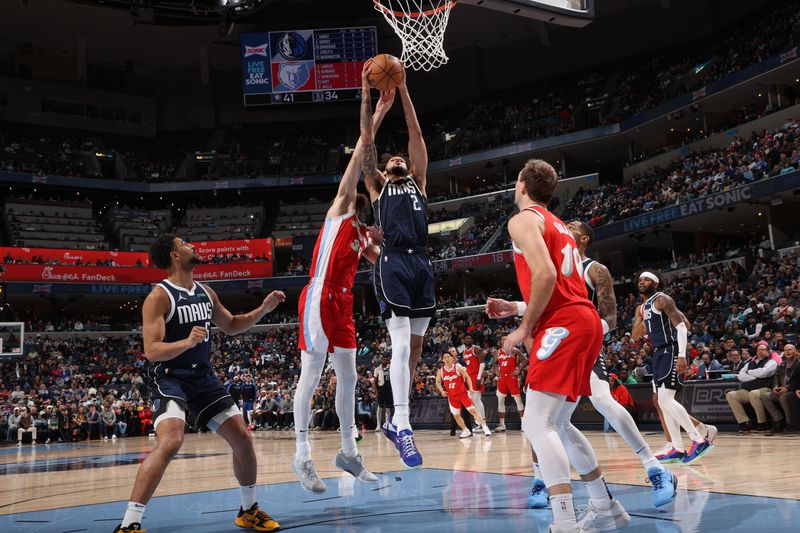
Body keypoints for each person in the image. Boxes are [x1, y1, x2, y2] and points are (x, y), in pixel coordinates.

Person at [487, 159, 629, 532]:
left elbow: (547, 275)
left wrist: (524, 326)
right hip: (584, 321)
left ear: (521, 185)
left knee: (537, 423)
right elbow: (564, 287)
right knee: (560, 424)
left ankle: (564, 522)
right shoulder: (560, 226)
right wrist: (516, 306)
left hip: (563, 325)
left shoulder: (521, 220)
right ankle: (604, 506)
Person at [113, 234, 285, 533]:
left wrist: (263, 311)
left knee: (242, 437)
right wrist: (186, 341)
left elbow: (231, 325)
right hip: (170, 378)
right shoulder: (159, 296)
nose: (192, 246)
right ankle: (129, 524)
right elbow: (152, 351)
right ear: (174, 256)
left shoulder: (206, 292)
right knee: (172, 440)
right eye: (185, 244)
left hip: (202, 378)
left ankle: (248, 510)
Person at [291, 75, 391, 492]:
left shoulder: (359, 235)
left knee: (349, 376)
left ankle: (348, 451)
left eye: (360, 208)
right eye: (354, 202)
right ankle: (301, 456)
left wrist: (380, 245)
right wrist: (379, 111)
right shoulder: (338, 212)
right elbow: (359, 154)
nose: (354, 203)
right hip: (318, 296)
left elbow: (382, 260)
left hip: (344, 304)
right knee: (311, 375)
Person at [361, 59, 433, 469]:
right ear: (384, 170)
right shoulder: (377, 187)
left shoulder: (419, 182)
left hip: (422, 265)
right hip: (392, 265)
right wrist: (371, 97)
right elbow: (367, 142)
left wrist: (403, 87)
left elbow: (416, 133)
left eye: (401, 160)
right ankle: (402, 425)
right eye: (391, 162)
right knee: (402, 342)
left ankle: (395, 417)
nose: (398, 162)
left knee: (416, 346)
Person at [632, 271, 714, 465]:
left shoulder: (663, 299)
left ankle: (699, 439)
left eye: (647, 279)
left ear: (655, 283)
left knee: (666, 399)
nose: (642, 282)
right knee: (661, 401)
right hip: (658, 352)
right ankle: (677, 447)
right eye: (640, 280)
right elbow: (636, 335)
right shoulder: (643, 308)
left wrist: (682, 355)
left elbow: (683, 327)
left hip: (671, 350)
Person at [725, 341, 779, 434]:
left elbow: (764, 373)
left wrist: (749, 373)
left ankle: (762, 423)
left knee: (753, 394)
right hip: (749, 389)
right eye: (759, 350)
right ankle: (744, 422)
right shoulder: (750, 363)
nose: (761, 351)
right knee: (731, 395)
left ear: (768, 351)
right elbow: (741, 375)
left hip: (766, 389)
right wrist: (756, 376)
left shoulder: (772, 362)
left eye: (763, 350)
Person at [435, 349, 491, 438]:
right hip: (452, 397)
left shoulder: (458, 367)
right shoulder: (441, 371)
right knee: (456, 416)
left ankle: (485, 428)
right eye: (444, 358)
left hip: (462, 394)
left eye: (448, 357)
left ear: (452, 358)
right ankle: (465, 431)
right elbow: (437, 381)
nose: (447, 359)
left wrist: (471, 388)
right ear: (442, 360)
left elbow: (468, 377)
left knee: (473, 411)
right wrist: (442, 391)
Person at [761, 344, 798, 434]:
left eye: (790, 349)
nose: (787, 352)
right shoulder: (782, 364)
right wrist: (775, 387)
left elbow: (798, 380)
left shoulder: (798, 363)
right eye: (785, 350)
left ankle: (791, 424)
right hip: (781, 389)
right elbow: (776, 378)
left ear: (795, 351)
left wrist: (788, 388)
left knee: (784, 397)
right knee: (765, 396)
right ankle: (779, 421)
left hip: (794, 391)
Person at [492, 337, 526, 432]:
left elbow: (525, 360)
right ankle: (502, 425)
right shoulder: (498, 352)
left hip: (512, 378)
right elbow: (494, 363)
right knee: (500, 401)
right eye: (502, 339)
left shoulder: (514, 350)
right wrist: (496, 370)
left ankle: (524, 424)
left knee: (518, 400)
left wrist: (518, 370)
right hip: (502, 378)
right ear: (500, 341)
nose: (504, 341)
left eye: (506, 339)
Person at [460, 334, 487, 429]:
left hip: (476, 376)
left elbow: (482, 363)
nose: (467, 340)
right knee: (472, 401)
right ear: (463, 340)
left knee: (477, 400)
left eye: (469, 338)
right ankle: (478, 423)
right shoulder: (463, 351)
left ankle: (483, 422)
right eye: (466, 338)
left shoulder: (476, 349)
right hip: (468, 377)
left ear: (472, 339)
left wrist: (479, 378)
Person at [373, 355, 394, 432]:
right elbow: (375, 381)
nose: (385, 360)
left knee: (388, 408)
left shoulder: (391, 368)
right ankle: (378, 425)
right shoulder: (377, 369)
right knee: (380, 407)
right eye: (383, 359)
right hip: (380, 388)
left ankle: (387, 424)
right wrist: (376, 391)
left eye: (386, 359)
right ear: (381, 360)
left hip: (389, 389)